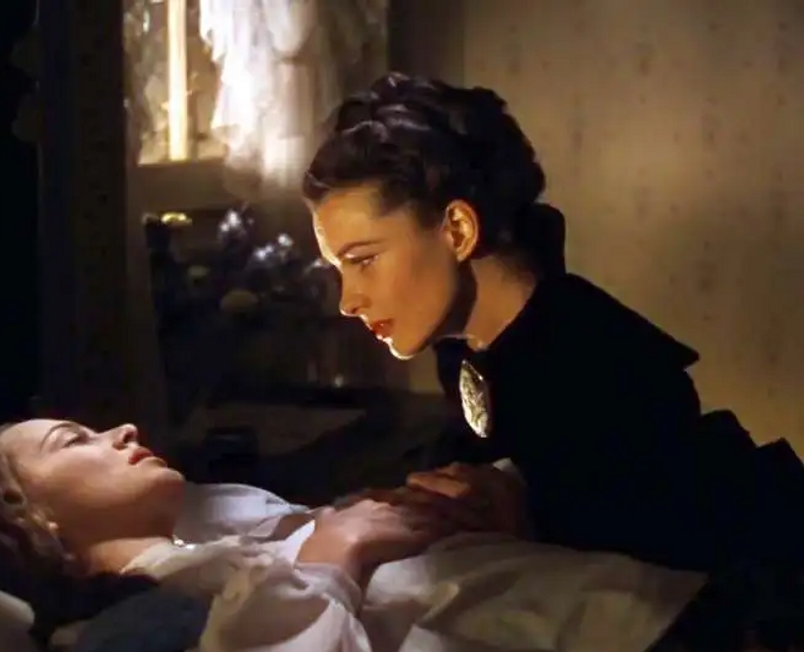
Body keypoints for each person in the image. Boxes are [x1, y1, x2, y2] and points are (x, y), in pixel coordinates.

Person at [302, 72, 804, 576]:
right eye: (339, 269)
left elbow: (660, 548)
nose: (347, 302)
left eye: (363, 260)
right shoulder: (466, 348)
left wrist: (527, 516)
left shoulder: (601, 368)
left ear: (457, 229)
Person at [0, 418, 707, 652]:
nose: (122, 429)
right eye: (74, 442)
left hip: (661, 614)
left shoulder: (237, 546)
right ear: (29, 518)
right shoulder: (121, 643)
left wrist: (492, 511)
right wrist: (333, 557)